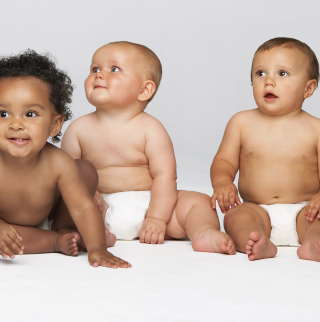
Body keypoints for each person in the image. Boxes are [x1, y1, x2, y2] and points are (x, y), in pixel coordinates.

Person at [0, 50, 130, 268]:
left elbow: (83, 208)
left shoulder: (58, 162)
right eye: (3, 114)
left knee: (84, 169)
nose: (16, 124)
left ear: (54, 124)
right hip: (5, 228)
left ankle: (65, 228)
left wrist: (98, 249)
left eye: (30, 114)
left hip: (50, 214)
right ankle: (54, 240)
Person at [61, 41, 235, 254]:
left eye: (113, 69)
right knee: (66, 209)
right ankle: (92, 235)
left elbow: (165, 176)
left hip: (149, 205)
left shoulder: (150, 128)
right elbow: (67, 175)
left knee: (198, 202)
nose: (99, 74)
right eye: (95, 69)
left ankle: (204, 233)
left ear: (144, 90)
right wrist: (91, 196)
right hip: (98, 208)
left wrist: (156, 218)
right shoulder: (78, 129)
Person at [210, 38, 320, 263]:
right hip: (256, 209)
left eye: (282, 74)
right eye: (260, 73)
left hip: (306, 210)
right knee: (235, 216)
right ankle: (256, 242)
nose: (269, 82)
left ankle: (314, 242)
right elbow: (223, 161)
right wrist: (223, 183)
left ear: (308, 88)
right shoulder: (241, 123)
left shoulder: (319, 130)